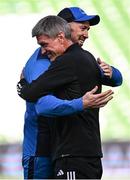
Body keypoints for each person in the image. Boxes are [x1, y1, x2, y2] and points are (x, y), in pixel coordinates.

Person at [17, 15, 122, 179]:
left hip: (71, 152)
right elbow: (42, 105)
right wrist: (81, 103)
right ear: (63, 29)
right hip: (43, 151)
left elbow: (35, 98)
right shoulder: (68, 58)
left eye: (87, 29)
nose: (86, 34)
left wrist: (22, 86)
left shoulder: (68, 61)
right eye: (82, 27)